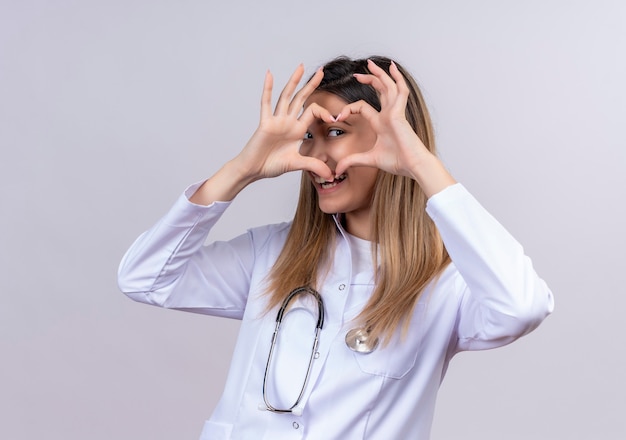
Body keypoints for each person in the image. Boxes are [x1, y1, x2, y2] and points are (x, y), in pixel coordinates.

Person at [118, 55, 554, 439]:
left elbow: (522, 307)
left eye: (336, 132)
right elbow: (144, 278)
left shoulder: (446, 286)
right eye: (310, 135)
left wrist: (421, 164)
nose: (316, 154)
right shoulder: (269, 254)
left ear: (394, 140)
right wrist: (241, 170)